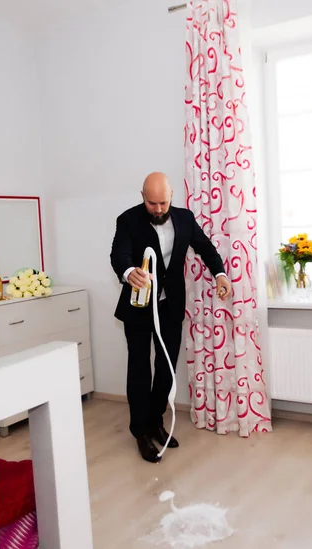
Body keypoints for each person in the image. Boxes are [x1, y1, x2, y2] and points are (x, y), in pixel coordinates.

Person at [110, 172, 231, 463]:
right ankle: (139, 430)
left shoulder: (185, 219)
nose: (159, 209)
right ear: (143, 197)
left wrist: (220, 274)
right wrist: (129, 273)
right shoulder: (128, 220)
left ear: (172, 196)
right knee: (139, 369)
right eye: (152, 203)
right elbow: (118, 255)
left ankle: (156, 422)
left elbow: (205, 248)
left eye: (163, 202)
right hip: (138, 307)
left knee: (166, 367)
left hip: (170, 306)